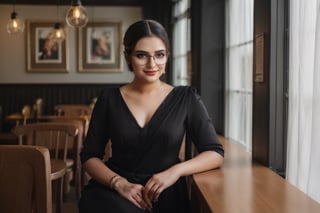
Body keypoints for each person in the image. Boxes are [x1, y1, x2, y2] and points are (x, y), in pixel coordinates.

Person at [79, 19, 224, 213]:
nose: (152, 64)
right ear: (128, 57)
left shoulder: (186, 97)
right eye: (141, 55)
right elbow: (89, 157)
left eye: (159, 55)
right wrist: (119, 184)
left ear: (167, 57)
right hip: (116, 191)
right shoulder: (109, 98)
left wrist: (174, 172)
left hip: (165, 190)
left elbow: (214, 152)